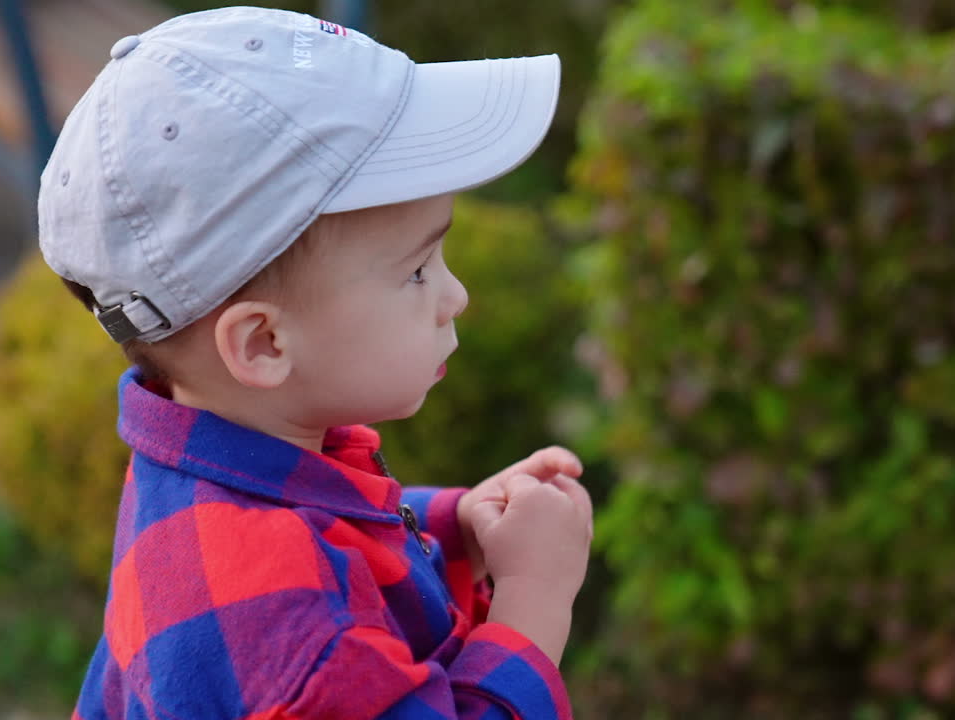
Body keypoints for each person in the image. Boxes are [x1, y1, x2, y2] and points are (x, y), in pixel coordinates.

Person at [38, 7, 593, 719]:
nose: (456, 295)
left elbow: (329, 535)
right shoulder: (288, 640)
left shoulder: (219, 461)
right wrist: (534, 603)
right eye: (417, 269)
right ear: (265, 345)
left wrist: (456, 527)